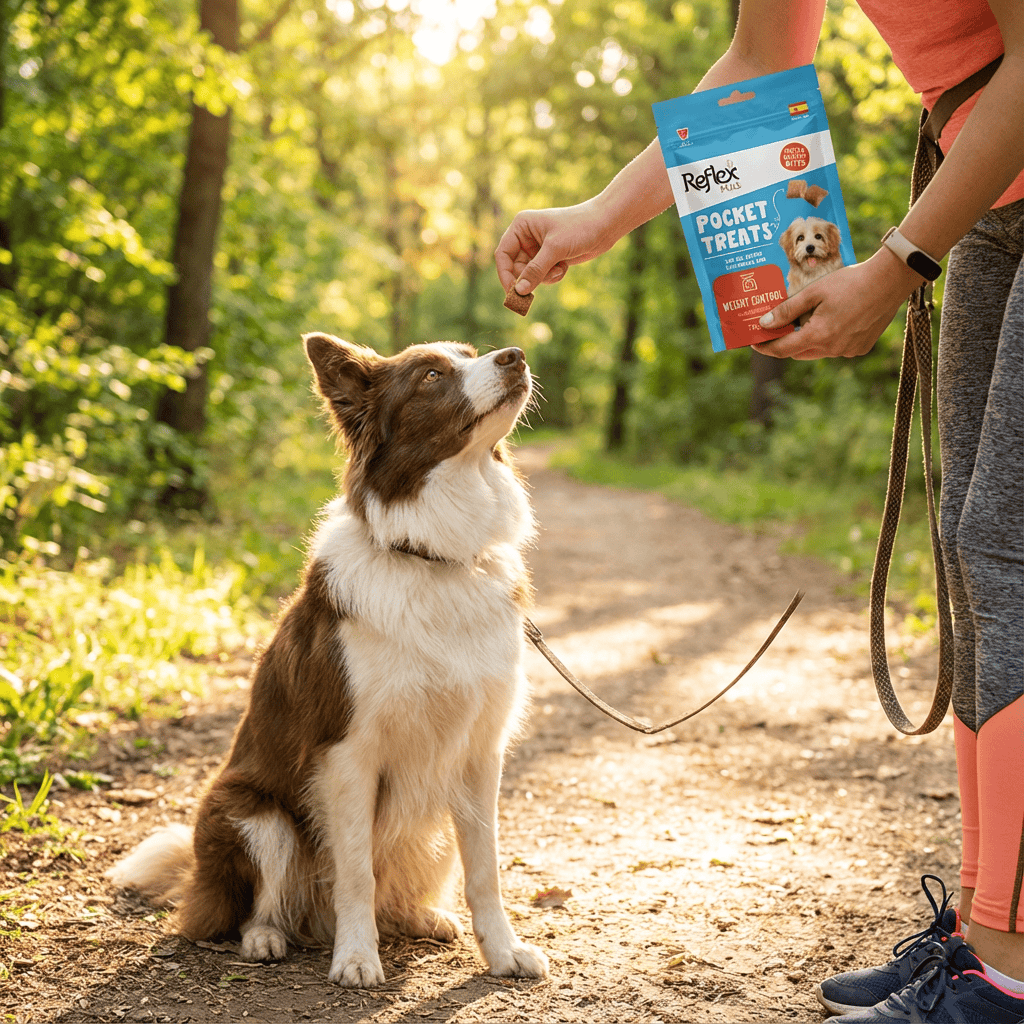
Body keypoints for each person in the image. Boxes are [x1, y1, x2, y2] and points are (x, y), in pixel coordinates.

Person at [494, 0, 1023, 1020]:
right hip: (991, 198)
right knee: (972, 549)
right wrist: (599, 217)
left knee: (1005, 547)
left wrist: (896, 265)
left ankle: (1006, 976)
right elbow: (758, 61)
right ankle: (985, 930)